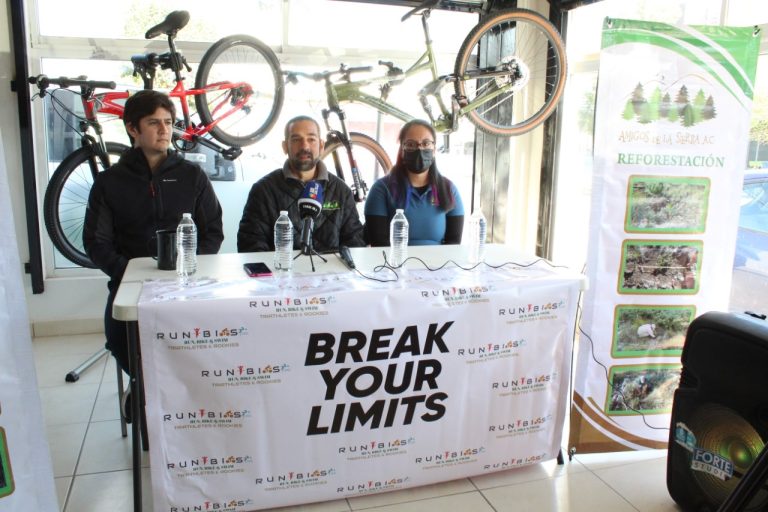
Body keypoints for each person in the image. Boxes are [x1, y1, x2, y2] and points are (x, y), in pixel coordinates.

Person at [84, 90, 224, 379]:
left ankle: (178, 398)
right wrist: (131, 273)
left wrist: (188, 269)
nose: (164, 130)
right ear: (132, 128)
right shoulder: (109, 182)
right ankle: (141, 393)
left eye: (168, 121)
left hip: (187, 285)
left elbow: (213, 231)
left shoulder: (192, 176)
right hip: (131, 286)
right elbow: (97, 242)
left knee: (201, 347)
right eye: (153, 122)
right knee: (121, 342)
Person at [237, 115, 365, 253]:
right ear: (285, 146)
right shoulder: (263, 191)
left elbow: (355, 244)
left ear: (321, 146)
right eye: (296, 139)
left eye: (311, 139)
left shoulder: (341, 191)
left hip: (333, 273)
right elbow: (250, 246)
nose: (304, 146)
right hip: (281, 272)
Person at [364, 119, 464, 246]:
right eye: (411, 144)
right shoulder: (382, 189)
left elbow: (454, 245)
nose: (419, 149)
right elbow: (379, 245)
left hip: (438, 264)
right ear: (402, 150)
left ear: (434, 150)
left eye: (426, 143)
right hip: (395, 263)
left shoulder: (448, 189)